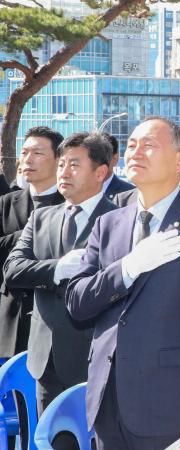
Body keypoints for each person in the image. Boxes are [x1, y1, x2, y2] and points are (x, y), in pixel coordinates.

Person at [65, 117, 180, 449]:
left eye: (149, 145)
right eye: (131, 145)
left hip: (170, 404)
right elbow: (77, 302)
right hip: (108, 401)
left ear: (179, 160)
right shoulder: (108, 223)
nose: (136, 152)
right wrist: (127, 268)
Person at [3, 133, 116, 449]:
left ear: (100, 172)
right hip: (46, 357)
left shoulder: (121, 218)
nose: (64, 172)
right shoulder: (42, 217)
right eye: (62, 164)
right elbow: (13, 270)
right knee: (53, 440)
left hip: (98, 356)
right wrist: (55, 269)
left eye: (74, 165)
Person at [0, 126, 65, 361]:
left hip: (53, 326)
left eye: (37, 153)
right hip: (8, 325)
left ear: (59, 158)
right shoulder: (6, 202)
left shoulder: (72, 204)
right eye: (24, 152)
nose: (28, 159)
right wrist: (31, 231)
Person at [101, 133, 135, 201]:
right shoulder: (78, 191)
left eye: (101, 157)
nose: (95, 163)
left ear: (115, 159)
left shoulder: (131, 194)